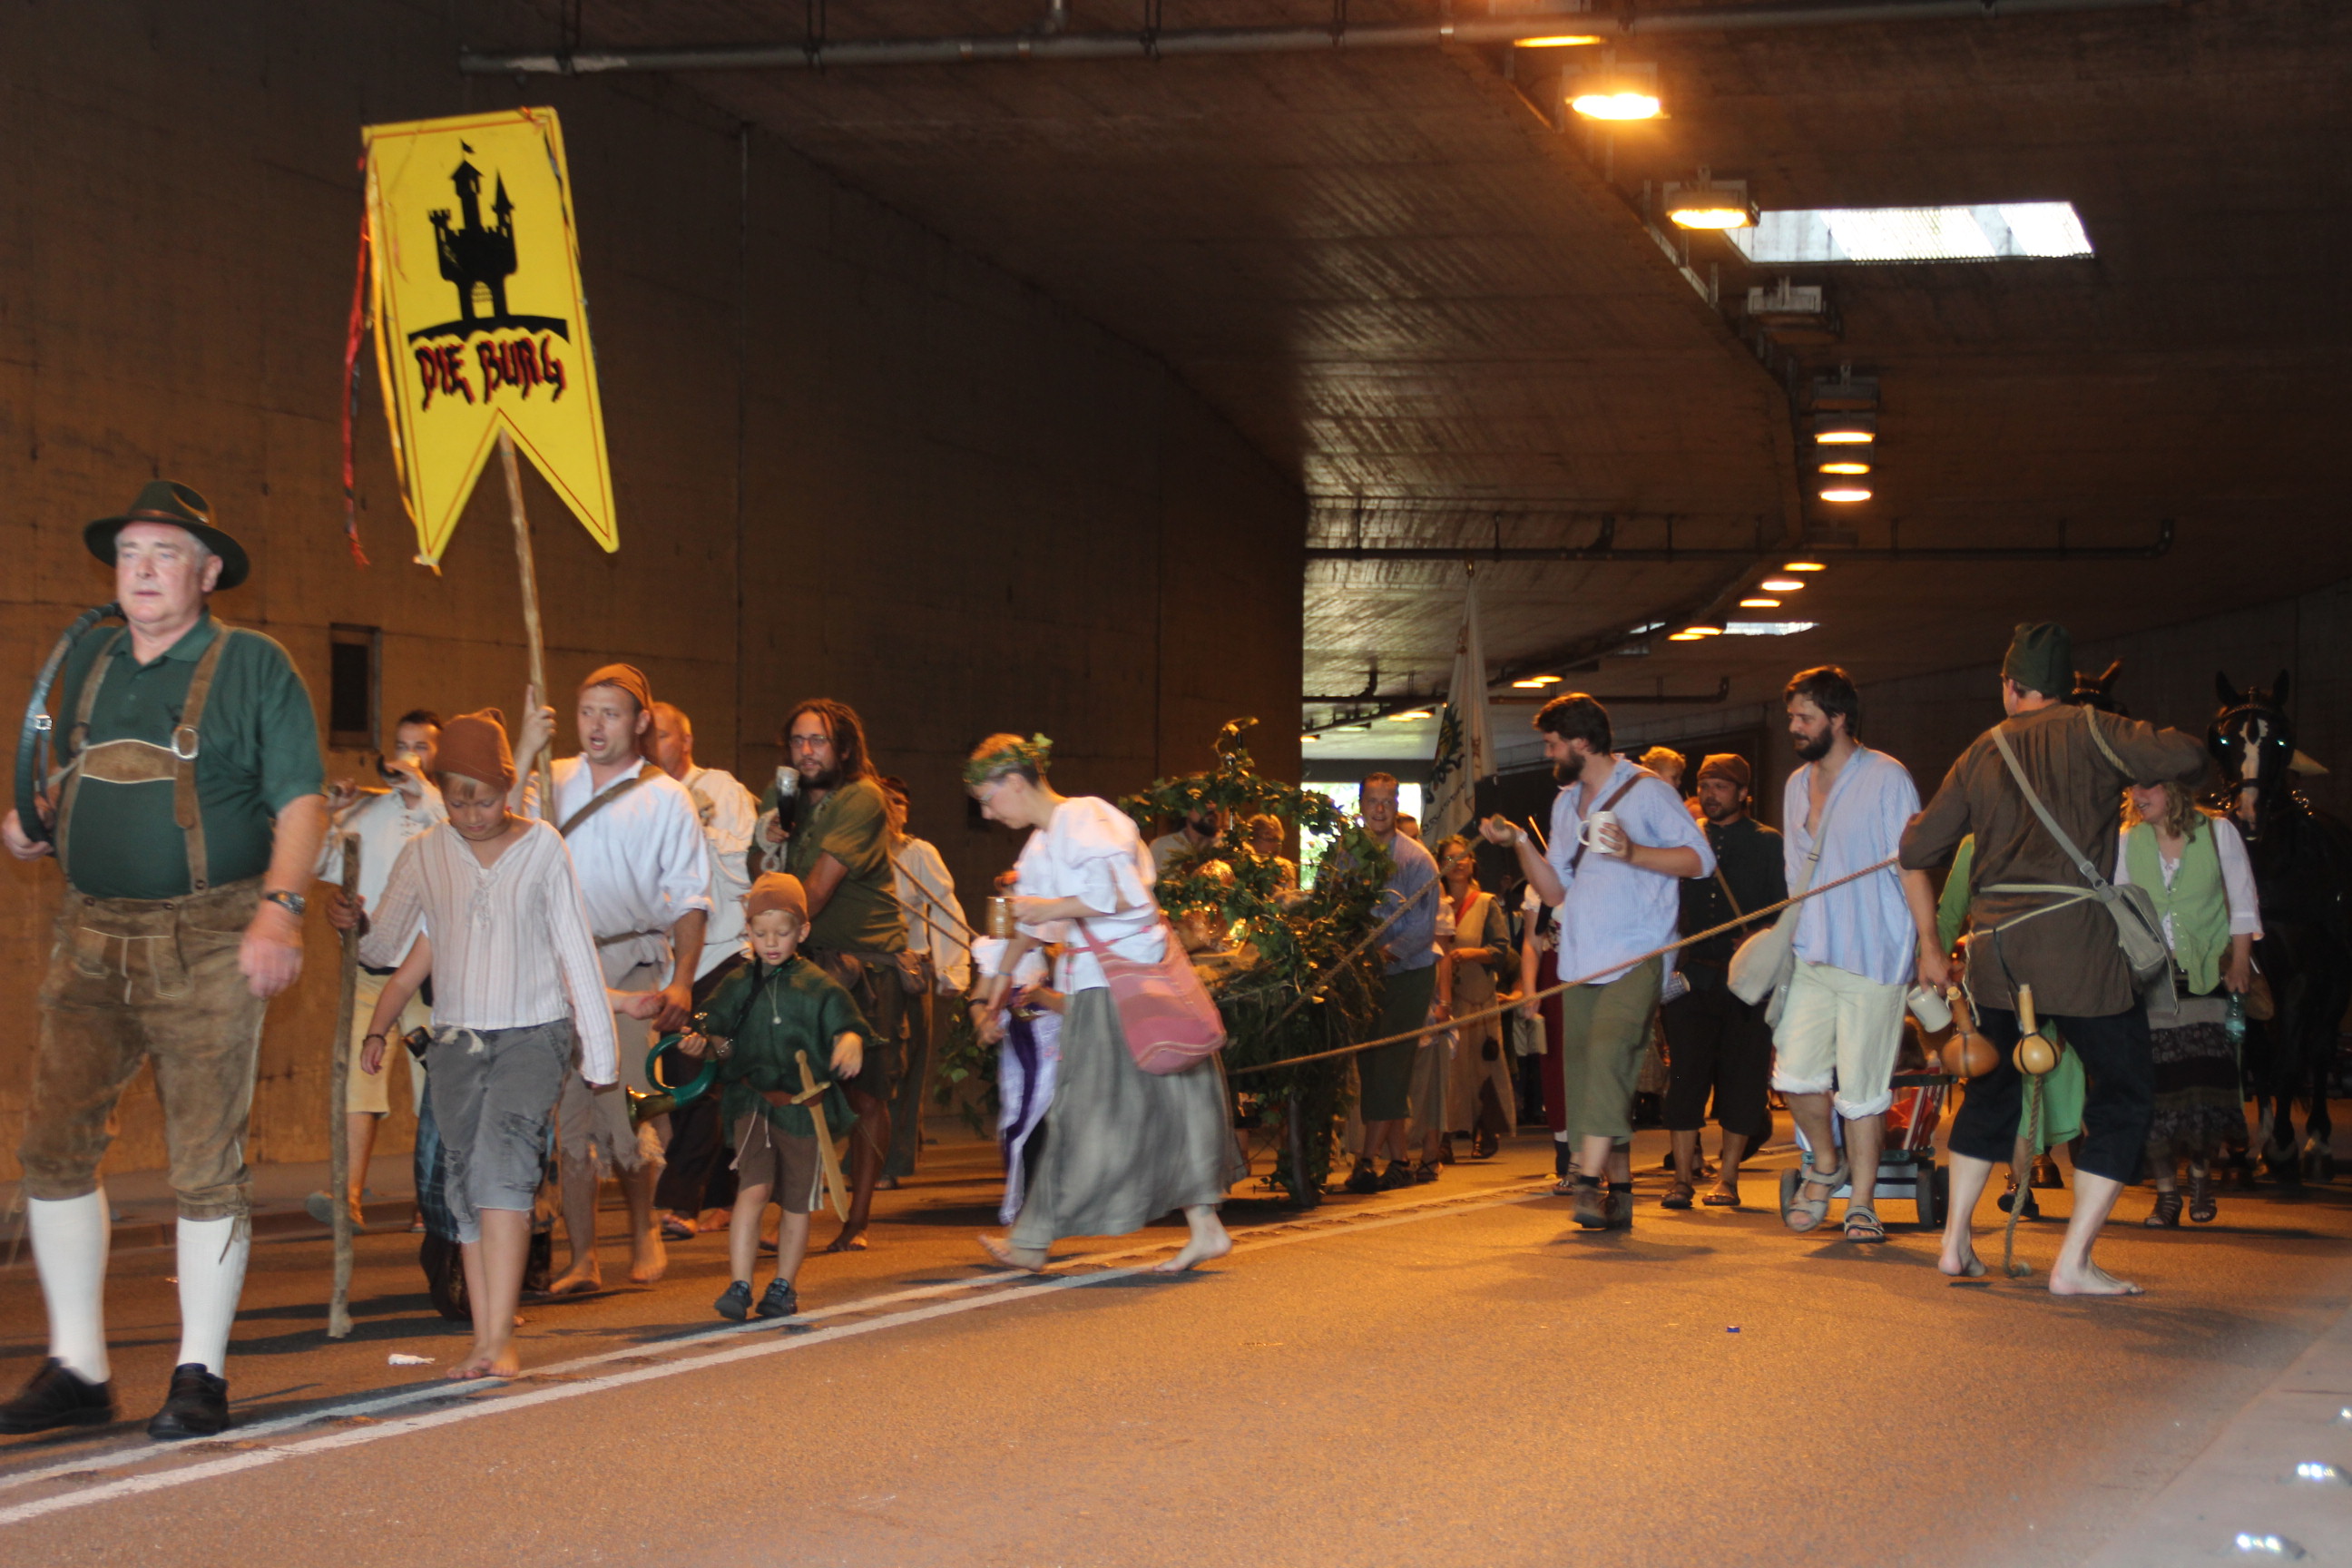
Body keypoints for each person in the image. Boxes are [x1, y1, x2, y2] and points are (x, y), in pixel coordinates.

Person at [1, 482, 326, 1439]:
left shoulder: (255, 664)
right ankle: (79, 1368)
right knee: (53, 1148)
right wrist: (36, 817)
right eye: (129, 553)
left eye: (165, 553)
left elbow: (301, 800)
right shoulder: (92, 656)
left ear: (208, 572)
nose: (141, 570)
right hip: (88, 935)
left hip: (210, 938)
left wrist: (280, 913)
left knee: (204, 1163)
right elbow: (80, 770)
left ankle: (200, 1374)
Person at [1902, 622, 2207, 1294]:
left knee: (1991, 1089)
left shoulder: (1980, 751)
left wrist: (1930, 942)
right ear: (2064, 685)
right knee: (2125, 1091)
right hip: (2077, 951)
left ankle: (1954, 1245)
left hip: (1996, 955)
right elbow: (2187, 756)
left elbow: (1917, 851)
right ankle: (2072, 1263)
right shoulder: (2095, 729)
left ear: (2011, 685)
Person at [347, 710, 617, 1378]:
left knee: (506, 1175)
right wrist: (350, 922)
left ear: (507, 785)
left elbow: (575, 949)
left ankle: (500, 1339)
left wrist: (600, 1052)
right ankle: (483, 1340)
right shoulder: (425, 852)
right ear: (441, 791)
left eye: (486, 800)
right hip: (456, 1042)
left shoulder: (544, 846)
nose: (471, 815)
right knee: (466, 1185)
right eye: (457, 800)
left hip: (533, 1033)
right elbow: (383, 949)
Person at [964, 733, 1242, 1273]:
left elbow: (1122, 895)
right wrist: (999, 977)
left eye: (987, 799)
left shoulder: (1086, 817)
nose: (987, 813)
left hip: (1119, 981)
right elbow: (1030, 921)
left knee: (1078, 1110)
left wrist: (1045, 909)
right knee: (1166, 1102)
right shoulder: (1042, 843)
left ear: (1014, 782)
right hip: (1107, 980)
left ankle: (1033, 1238)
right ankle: (1205, 1226)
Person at [513, 664, 712, 1292]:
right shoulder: (552, 778)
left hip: (631, 963)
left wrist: (682, 980)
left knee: (625, 1106)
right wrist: (524, 748)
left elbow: (691, 899)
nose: (596, 726)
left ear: (640, 720)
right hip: (561, 968)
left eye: (611, 713)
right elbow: (497, 829)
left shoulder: (667, 797)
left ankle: (644, 1225)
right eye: (587, 712)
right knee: (570, 1121)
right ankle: (583, 1258)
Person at [1481, 694, 1710, 1230]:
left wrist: (1633, 852)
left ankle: (1586, 1179)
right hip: (1581, 958)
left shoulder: (1648, 791)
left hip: (1640, 952)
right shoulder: (1566, 803)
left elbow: (1700, 859)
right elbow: (1554, 891)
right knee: (1589, 1076)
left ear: (1581, 742)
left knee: (1608, 1054)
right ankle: (1621, 1190)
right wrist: (1520, 842)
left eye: (1552, 744)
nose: (1548, 753)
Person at [1771, 668, 1945, 1243]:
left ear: (1839, 718)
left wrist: (1929, 945)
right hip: (1811, 954)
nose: (1794, 727)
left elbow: (1911, 866)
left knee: (1863, 1091)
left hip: (1874, 955)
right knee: (1794, 1075)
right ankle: (1827, 1163)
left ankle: (1863, 1205)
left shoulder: (1887, 777)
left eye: (1805, 717)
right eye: (1792, 717)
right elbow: (1794, 873)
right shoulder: (1796, 784)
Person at [681, 874, 866, 1321]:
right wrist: (704, 1045)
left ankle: (783, 1285)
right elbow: (717, 1035)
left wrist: (850, 1039)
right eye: (760, 933)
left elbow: (846, 1021)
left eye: (781, 933)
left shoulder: (820, 986)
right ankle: (740, 1283)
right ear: (747, 930)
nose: (770, 942)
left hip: (803, 1108)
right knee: (754, 1187)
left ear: (802, 931)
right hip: (753, 1102)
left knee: (798, 1200)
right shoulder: (736, 984)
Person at [760, 699, 908, 1252]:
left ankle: (857, 1220)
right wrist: (767, 841)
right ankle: (790, 1210)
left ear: (843, 749)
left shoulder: (863, 798)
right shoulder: (783, 795)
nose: (806, 751)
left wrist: (768, 930)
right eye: (798, 740)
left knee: (866, 1094)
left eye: (818, 740)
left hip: (863, 964)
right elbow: (762, 878)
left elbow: (815, 892)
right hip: (802, 958)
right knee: (792, 1088)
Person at [309, 710, 446, 1230]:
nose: (408, 755)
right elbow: (320, 863)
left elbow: (461, 841)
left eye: (421, 746)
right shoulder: (369, 811)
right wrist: (330, 814)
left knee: (435, 1091)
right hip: (372, 971)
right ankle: (347, 1195)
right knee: (357, 1083)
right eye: (402, 745)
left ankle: (432, 1198)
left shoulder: (449, 809)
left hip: (432, 977)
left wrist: (422, 791)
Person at [2117, 779, 2259, 1227]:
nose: (2137, 797)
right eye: (2133, 788)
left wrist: (2240, 962)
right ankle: (2166, 1195)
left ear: (2175, 789)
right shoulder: (2128, 841)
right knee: (2158, 1088)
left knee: (2204, 1085)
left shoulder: (2219, 833)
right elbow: (2118, 909)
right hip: (2151, 979)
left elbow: (2243, 902)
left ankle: (2200, 1178)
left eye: (2148, 787)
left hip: (2208, 976)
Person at [644, 701, 760, 1240]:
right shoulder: (640, 795)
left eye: (662, 735)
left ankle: (678, 1199)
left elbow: (744, 869)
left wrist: (695, 822)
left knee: (699, 1071)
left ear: (686, 741)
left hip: (721, 952)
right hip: (666, 960)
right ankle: (719, 1195)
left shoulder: (720, 788)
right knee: (683, 1077)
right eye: (647, 737)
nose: (652, 746)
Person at [1659, 755, 1785, 1210]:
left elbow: (1786, 908)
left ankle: (1728, 1178)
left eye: (1721, 786)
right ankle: (1681, 1180)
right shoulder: (1686, 840)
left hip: (1748, 982)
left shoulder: (1768, 842)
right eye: (1705, 785)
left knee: (1743, 1080)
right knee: (1684, 1079)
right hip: (1693, 978)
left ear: (1743, 793)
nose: (1710, 794)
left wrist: (1761, 934)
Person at [1332, 773, 1446, 1194]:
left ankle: (1365, 1161)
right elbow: (1338, 909)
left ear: (1397, 806)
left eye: (1387, 801)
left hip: (1409, 974)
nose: (1379, 809)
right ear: (1361, 805)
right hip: (1365, 977)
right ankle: (1399, 1162)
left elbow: (1421, 931)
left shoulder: (1417, 860)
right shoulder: (1346, 854)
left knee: (1390, 1067)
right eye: (1372, 801)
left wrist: (1377, 956)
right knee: (1372, 1068)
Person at [879, 774, 972, 1183]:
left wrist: (953, 969)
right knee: (871, 1070)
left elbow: (945, 908)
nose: (890, 808)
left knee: (903, 1067)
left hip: (908, 972)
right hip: (861, 970)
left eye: (898, 802)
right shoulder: (855, 851)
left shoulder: (918, 854)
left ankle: (891, 1161)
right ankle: (870, 1154)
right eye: (882, 800)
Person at [1436, 835, 1514, 1161]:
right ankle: (1441, 1137)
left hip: (1478, 999)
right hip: (1442, 999)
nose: (1458, 862)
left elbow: (1502, 949)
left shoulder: (1486, 903)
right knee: (1446, 1070)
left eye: (1464, 856)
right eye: (1450, 857)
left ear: (1472, 863)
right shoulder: (1434, 903)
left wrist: (1471, 954)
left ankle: (1486, 1129)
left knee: (1484, 1067)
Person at [1150, 804, 1226, 876]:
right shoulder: (1161, 847)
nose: (1212, 807)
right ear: (1185, 809)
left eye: (1215, 801)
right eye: (1203, 802)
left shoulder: (1228, 846)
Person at [1247, 813, 1298, 892]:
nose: (1278, 844)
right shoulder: (1242, 865)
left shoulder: (1285, 866)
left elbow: (1289, 895)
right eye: (1270, 839)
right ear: (1252, 839)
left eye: (1278, 840)